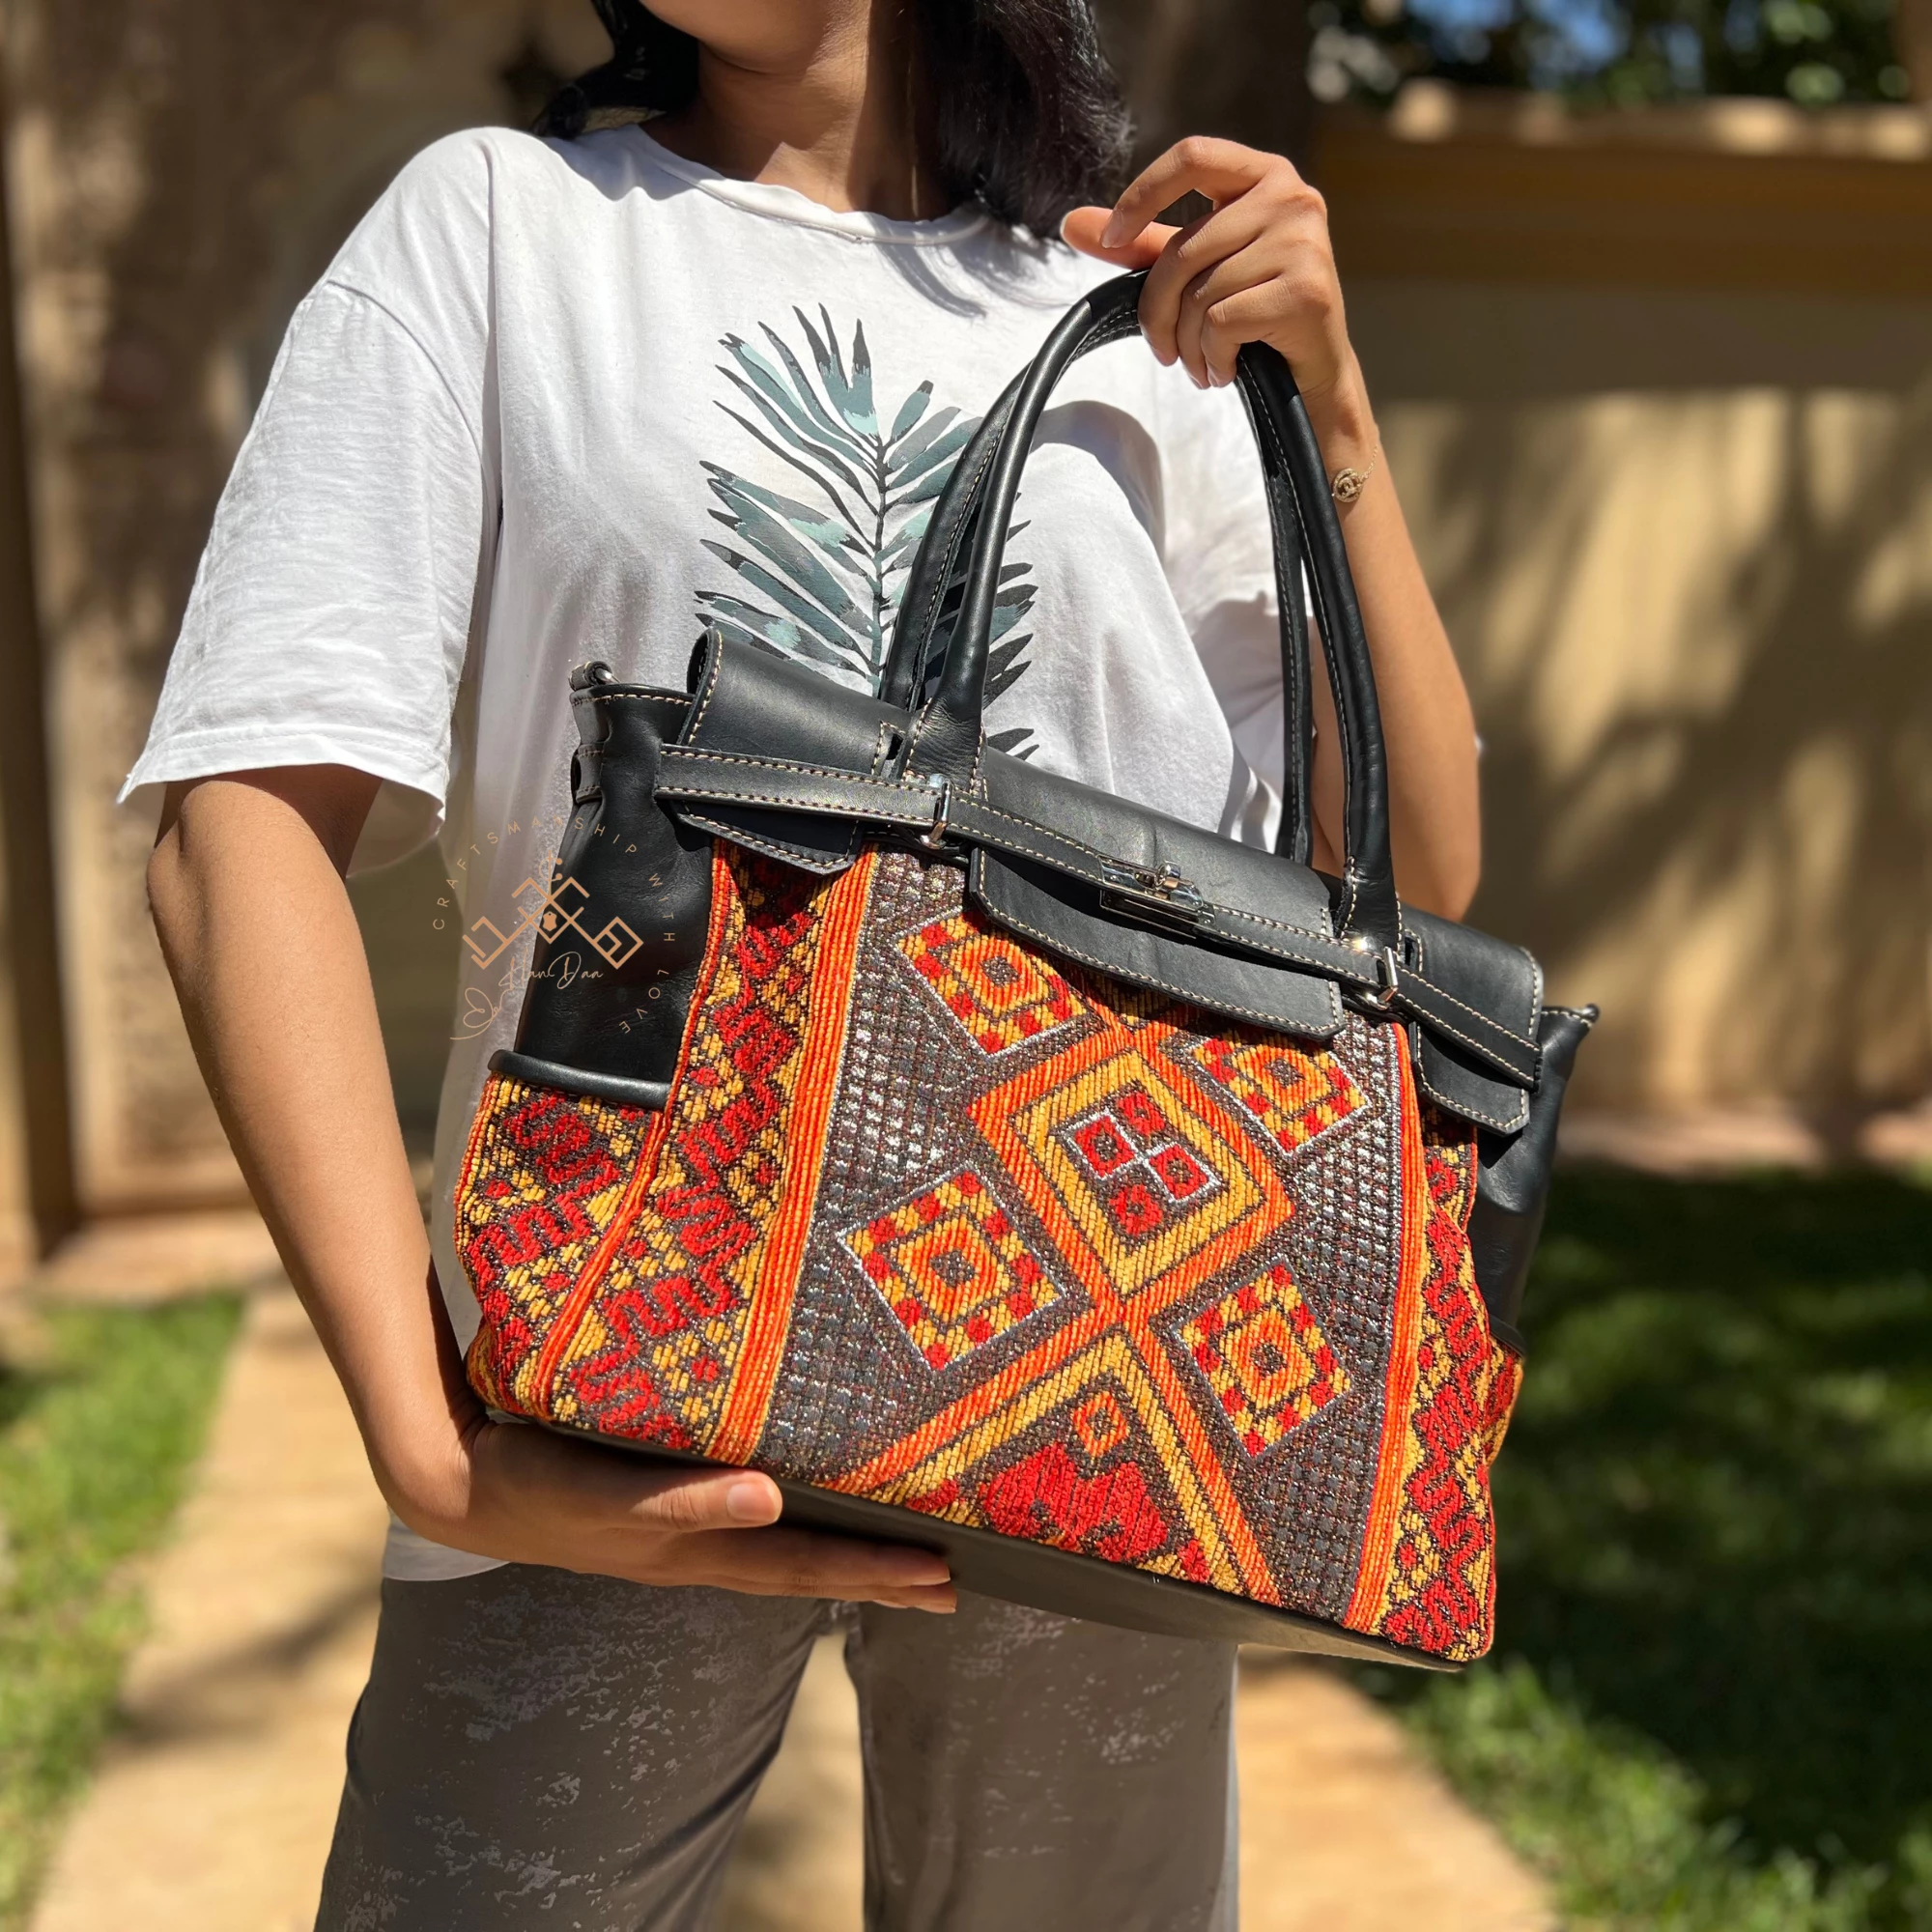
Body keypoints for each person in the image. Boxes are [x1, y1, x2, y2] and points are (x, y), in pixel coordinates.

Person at [128, 0, 1480, 1924]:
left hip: (1097, 1384)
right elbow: (241, 816)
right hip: (612, 1388)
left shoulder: (1139, 328)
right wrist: (429, 1446)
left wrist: (1327, 408)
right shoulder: (505, 229)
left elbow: (1400, 890)